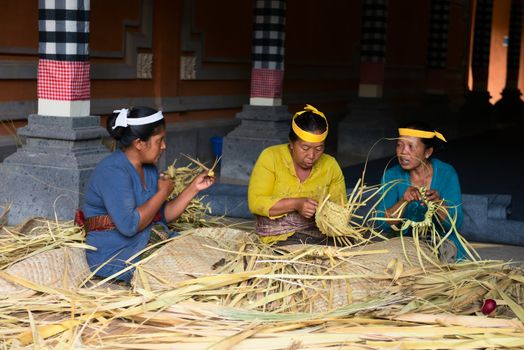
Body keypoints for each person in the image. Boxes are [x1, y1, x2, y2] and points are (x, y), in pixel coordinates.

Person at [83, 106, 215, 282]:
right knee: (189, 274)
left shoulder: (149, 169)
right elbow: (129, 226)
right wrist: (162, 193)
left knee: (207, 255)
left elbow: (159, 216)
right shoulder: (113, 171)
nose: (164, 146)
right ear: (139, 143)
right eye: (159, 140)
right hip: (115, 254)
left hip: (143, 242)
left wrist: (193, 188)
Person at [248, 104, 347, 245]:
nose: (311, 155)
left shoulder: (330, 166)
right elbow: (256, 203)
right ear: (291, 143)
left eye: (319, 149)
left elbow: (341, 210)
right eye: (305, 148)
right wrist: (296, 204)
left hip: (319, 238)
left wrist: (324, 212)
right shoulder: (271, 157)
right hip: (277, 239)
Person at [375, 121, 465, 261]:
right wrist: (403, 201)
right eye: (399, 145)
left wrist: (438, 204)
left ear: (427, 152)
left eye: (411, 146)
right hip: (402, 242)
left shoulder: (447, 173)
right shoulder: (391, 175)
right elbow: (380, 223)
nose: (403, 152)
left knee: (446, 261)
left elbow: (456, 222)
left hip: (439, 241)